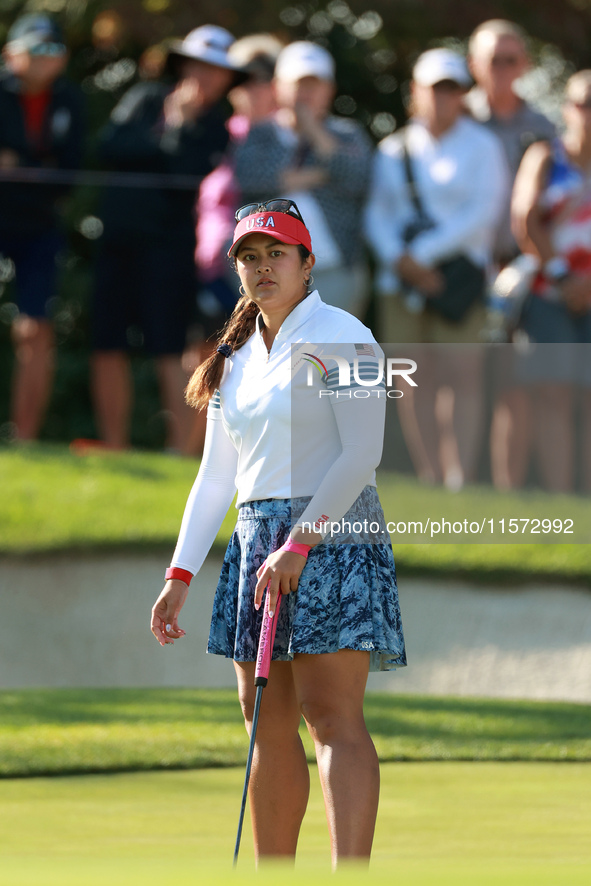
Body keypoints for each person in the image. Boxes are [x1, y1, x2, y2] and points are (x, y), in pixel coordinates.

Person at [150, 199, 406, 866]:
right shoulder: (231, 358)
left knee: (330, 717)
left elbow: (360, 455)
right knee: (263, 721)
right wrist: (179, 574)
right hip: (256, 538)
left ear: (307, 262)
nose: (262, 268)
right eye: (249, 258)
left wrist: (300, 543)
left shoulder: (342, 334)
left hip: (332, 533)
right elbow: (214, 479)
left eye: (276, 255)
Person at [89, 25, 245, 453]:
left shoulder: (216, 127)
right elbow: (109, 146)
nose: (207, 77)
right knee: (107, 342)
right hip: (118, 240)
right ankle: (114, 444)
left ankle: (180, 450)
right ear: (184, 64)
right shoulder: (143, 98)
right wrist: (166, 134)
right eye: (200, 65)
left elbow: (182, 172)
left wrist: (173, 127)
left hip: (169, 249)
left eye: (218, 70)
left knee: (168, 347)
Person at [364, 47, 508, 488]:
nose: (444, 98)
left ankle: (459, 475)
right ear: (416, 92)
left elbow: (483, 212)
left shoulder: (483, 145)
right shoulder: (393, 149)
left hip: (458, 279)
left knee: (462, 373)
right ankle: (430, 474)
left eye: (452, 90)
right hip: (401, 281)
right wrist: (399, 260)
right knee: (412, 377)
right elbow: (377, 214)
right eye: (435, 89)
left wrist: (421, 258)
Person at [466, 19, 557, 489]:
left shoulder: (543, 126)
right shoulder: (459, 120)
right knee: (461, 382)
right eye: (492, 59)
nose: (502, 69)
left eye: (511, 59)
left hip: (523, 269)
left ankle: (510, 492)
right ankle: (460, 487)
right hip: (465, 268)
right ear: (474, 65)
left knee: (516, 385)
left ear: (524, 65)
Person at [185, 34, 282, 456]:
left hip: (261, 263)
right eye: (242, 78)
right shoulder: (222, 132)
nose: (251, 87)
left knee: (256, 360)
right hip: (211, 262)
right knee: (206, 354)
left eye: (261, 77)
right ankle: (198, 454)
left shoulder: (281, 134)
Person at [234, 41, 374, 319]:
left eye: (315, 84)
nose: (307, 92)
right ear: (277, 87)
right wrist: (321, 174)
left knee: (331, 362)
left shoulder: (348, 134)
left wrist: (314, 131)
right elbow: (250, 177)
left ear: (330, 89)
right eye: (298, 83)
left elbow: (358, 178)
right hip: (269, 275)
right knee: (278, 360)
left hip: (336, 272)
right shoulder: (260, 134)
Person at [0, 13, 84, 440]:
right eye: (35, 50)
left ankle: (24, 436)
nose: (44, 60)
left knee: (36, 328)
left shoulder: (69, 99)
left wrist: (18, 163)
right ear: (10, 53)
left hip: (39, 222)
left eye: (53, 51)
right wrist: (37, 166)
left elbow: (70, 172)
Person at [510, 70, 591, 493]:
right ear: (568, 108)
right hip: (548, 292)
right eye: (584, 102)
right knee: (555, 395)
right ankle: (562, 496)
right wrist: (562, 276)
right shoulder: (546, 155)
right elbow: (525, 220)